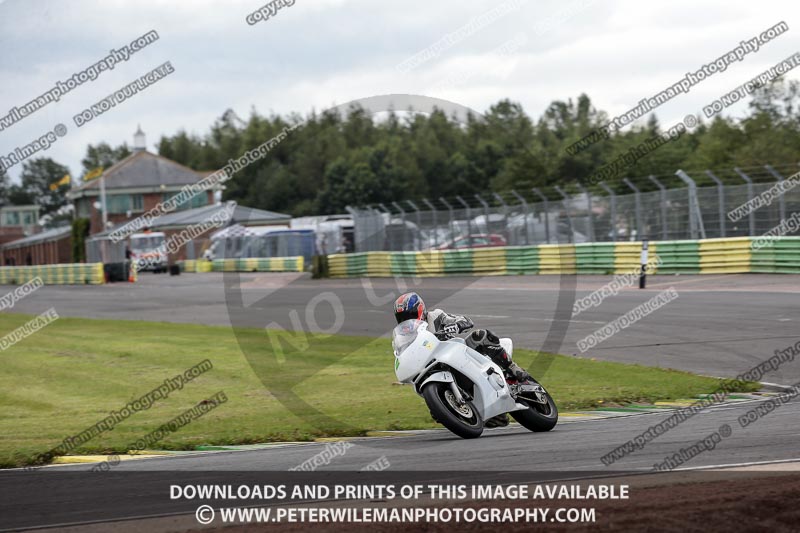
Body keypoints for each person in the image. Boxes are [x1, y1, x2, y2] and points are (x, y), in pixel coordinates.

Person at [394, 292, 534, 428]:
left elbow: (464, 320)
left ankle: (512, 367)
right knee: (435, 413)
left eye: (409, 315)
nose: (406, 320)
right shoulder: (405, 336)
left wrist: (457, 324)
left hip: (458, 353)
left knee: (480, 336)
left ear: (420, 310)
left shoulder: (436, 316)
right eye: (402, 317)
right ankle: (467, 407)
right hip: (435, 366)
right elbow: (402, 353)